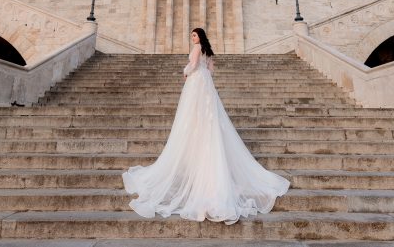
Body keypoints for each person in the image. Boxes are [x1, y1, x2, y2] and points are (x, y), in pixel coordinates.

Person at [122, 28, 290, 224]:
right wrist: (201, 68)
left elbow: (192, 65)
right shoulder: (208, 51)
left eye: (194, 35)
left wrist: (185, 72)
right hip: (206, 85)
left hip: (196, 84)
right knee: (208, 118)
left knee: (191, 116)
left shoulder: (196, 48)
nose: (192, 38)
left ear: (199, 37)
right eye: (192, 36)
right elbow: (211, 70)